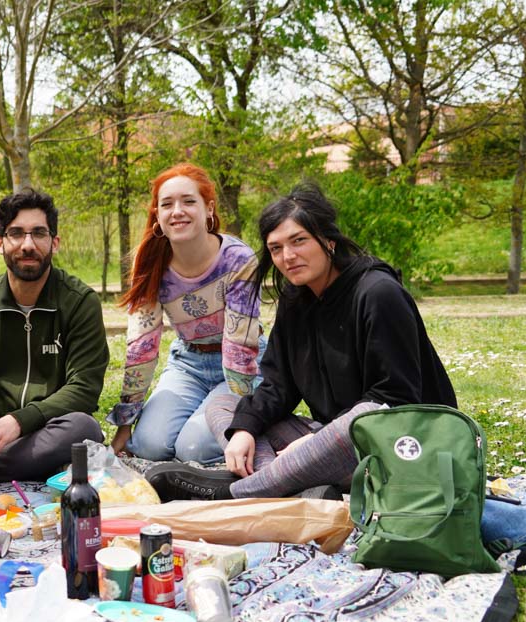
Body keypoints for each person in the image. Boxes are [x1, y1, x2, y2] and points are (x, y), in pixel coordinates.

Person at [149, 182, 456, 500]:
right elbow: (277, 385)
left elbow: (394, 402)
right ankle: (297, 491)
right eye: (276, 248)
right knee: (226, 406)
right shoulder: (296, 298)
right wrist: (245, 429)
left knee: (360, 417)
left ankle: (234, 492)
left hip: (402, 446)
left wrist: (319, 439)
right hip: (333, 446)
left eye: (299, 241)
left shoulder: (378, 293)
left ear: (328, 240)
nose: (288, 256)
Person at [0, 189, 109, 483]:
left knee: (84, 429)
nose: (27, 244)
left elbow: (84, 388)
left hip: (48, 426)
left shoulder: (79, 301)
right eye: (16, 234)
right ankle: (4, 465)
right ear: (0, 243)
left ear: (54, 243)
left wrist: (19, 421)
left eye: (38, 234)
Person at [108, 163, 263, 465]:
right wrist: (125, 424)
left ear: (209, 209)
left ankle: (262, 428)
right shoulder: (150, 261)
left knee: (195, 448)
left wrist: (244, 418)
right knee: (150, 445)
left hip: (240, 368)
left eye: (188, 201)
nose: (177, 210)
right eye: (166, 204)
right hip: (187, 364)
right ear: (157, 217)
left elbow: (240, 349)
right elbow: (142, 348)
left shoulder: (237, 259)